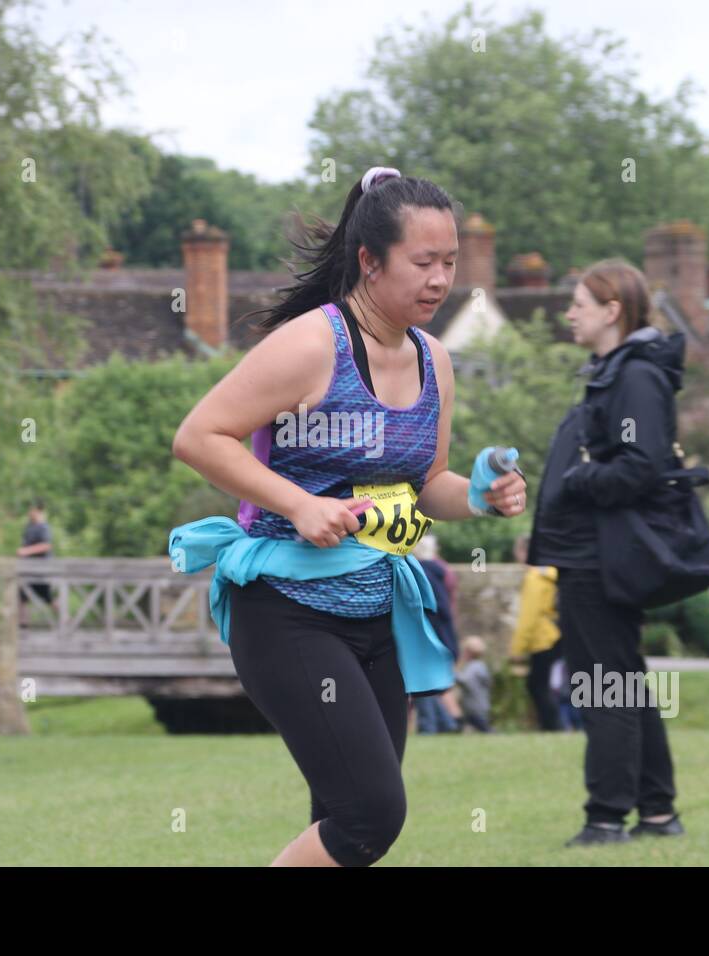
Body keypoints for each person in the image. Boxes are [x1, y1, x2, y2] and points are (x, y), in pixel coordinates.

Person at [169, 167, 527, 866]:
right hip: (286, 610)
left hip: (378, 614)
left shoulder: (434, 359)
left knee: (342, 822)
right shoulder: (313, 345)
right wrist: (300, 504)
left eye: (449, 262)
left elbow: (426, 487)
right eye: (423, 262)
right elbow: (198, 436)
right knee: (370, 814)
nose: (439, 280)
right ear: (370, 260)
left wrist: (480, 494)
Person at [526, 259, 684, 847]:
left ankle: (606, 818)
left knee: (601, 683)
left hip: (603, 556)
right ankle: (658, 813)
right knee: (623, 680)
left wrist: (576, 478)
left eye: (579, 304)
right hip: (589, 552)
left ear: (612, 310)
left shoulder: (635, 376)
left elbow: (642, 467)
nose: (568, 313)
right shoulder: (613, 371)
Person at [511, 534, 564, 731]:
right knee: (544, 683)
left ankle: (553, 727)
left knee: (537, 684)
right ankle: (552, 725)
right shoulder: (550, 573)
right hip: (556, 634)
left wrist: (517, 647)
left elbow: (529, 615)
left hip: (542, 637)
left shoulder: (534, 577)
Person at [413, 535, 462, 734]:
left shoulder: (425, 572)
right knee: (436, 683)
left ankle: (438, 724)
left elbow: (435, 608)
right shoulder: (440, 571)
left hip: (430, 636)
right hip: (442, 635)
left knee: (427, 682)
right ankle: (448, 722)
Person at [17, 498, 56, 625]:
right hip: (29, 570)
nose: (29, 512)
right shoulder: (29, 526)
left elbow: (46, 545)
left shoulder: (43, 527)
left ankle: (66, 622)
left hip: (41, 571)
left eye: (31, 510)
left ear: (38, 511)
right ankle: (23, 624)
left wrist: (26, 551)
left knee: (48, 598)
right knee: (21, 596)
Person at [454, 636, 493, 733]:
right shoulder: (480, 665)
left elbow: (465, 680)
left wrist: (452, 673)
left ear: (468, 652)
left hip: (475, 706)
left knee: (483, 727)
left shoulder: (474, 667)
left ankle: (493, 734)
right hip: (479, 705)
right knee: (478, 726)